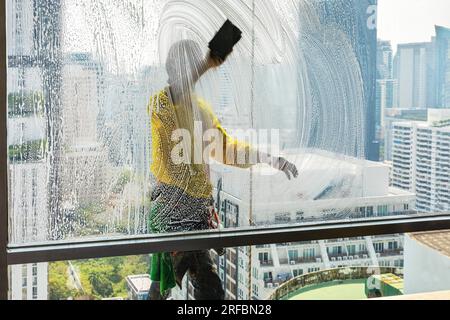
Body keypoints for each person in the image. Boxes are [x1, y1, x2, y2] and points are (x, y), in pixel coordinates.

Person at [147, 39, 299, 300]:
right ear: (173, 70)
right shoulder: (161, 104)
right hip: (172, 216)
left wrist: (271, 159)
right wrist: (206, 64)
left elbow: (227, 149)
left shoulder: (200, 111)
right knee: (163, 290)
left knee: (208, 289)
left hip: (195, 217)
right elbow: (176, 93)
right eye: (189, 67)